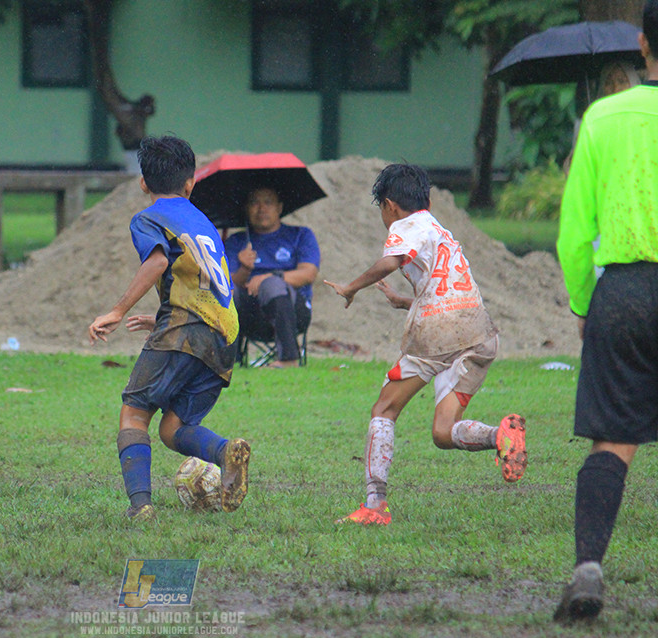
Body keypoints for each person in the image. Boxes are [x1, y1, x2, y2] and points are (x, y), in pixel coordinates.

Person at [322, 163, 527, 526]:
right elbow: (445, 287)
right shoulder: (438, 228)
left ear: (389, 206)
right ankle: (501, 437)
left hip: (437, 334)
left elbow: (390, 261)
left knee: (384, 410)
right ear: (427, 199)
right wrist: (406, 301)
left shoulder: (405, 225)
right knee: (443, 432)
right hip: (479, 330)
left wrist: (351, 287)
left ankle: (375, 506)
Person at [553, 1, 658, 624]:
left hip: (623, 293)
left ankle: (588, 565)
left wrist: (585, 302)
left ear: (644, 44)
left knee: (613, 440)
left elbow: (574, 233)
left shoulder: (605, 116)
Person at [88, 135, 250, 521]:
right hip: (224, 334)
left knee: (134, 415)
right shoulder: (203, 221)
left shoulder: (148, 217)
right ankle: (226, 452)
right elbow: (201, 280)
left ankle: (140, 507)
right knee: (173, 427)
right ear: (191, 184)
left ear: (143, 183)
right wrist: (163, 317)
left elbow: (158, 262)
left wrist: (117, 310)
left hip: (186, 328)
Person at [223, 187, 319, 368]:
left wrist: (269, 277)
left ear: (280, 207)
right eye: (254, 203)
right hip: (249, 316)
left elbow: (308, 273)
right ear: (246, 208)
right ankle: (229, 360)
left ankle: (289, 358)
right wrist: (244, 269)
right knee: (227, 290)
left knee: (271, 285)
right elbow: (227, 284)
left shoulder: (300, 235)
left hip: (292, 312)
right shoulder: (237, 242)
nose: (261, 209)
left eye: (268, 202)